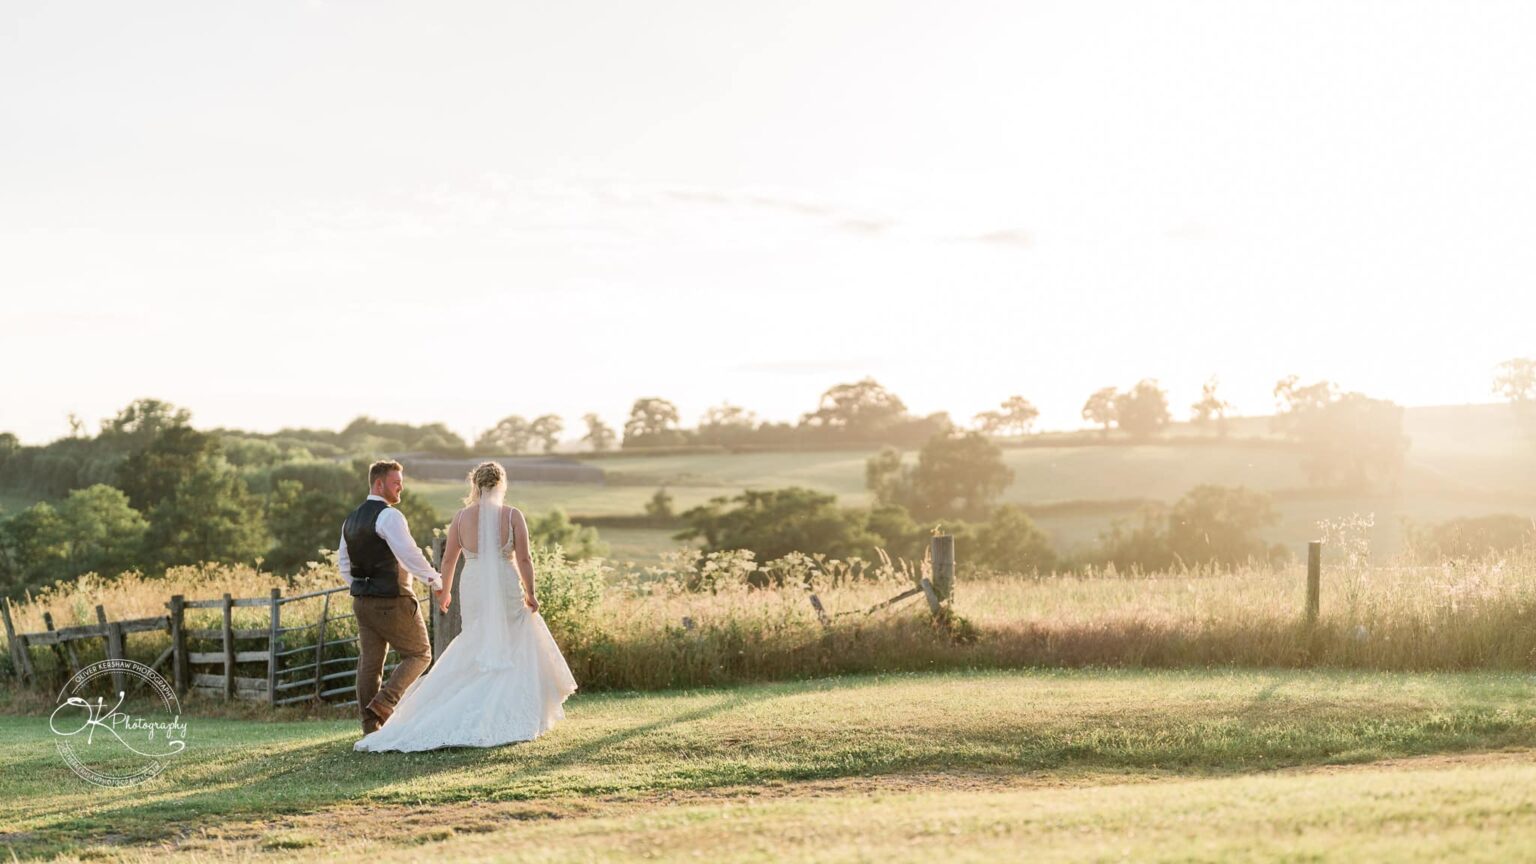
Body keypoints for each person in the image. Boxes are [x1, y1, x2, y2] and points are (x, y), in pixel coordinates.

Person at [354, 461, 578, 752]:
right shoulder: (512, 516)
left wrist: (444, 591)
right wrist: (531, 593)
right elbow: (524, 559)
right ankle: (509, 708)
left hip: (472, 583)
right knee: (512, 639)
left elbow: (448, 560)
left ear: (475, 485)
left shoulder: (461, 518)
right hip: (504, 580)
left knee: (476, 639)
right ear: (501, 485)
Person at [339, 459, 445, 735]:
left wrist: (363, 586)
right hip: (391, 599)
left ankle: (369, 726)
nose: (401, 488)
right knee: (420, 654)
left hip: (362, 601)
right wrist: (435, 579)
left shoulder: (350, 520)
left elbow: (343, 565)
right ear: (379, 483)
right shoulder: (389, 516)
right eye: (396, 483)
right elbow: (410, 554)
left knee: (370, 664)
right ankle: (384, 704)